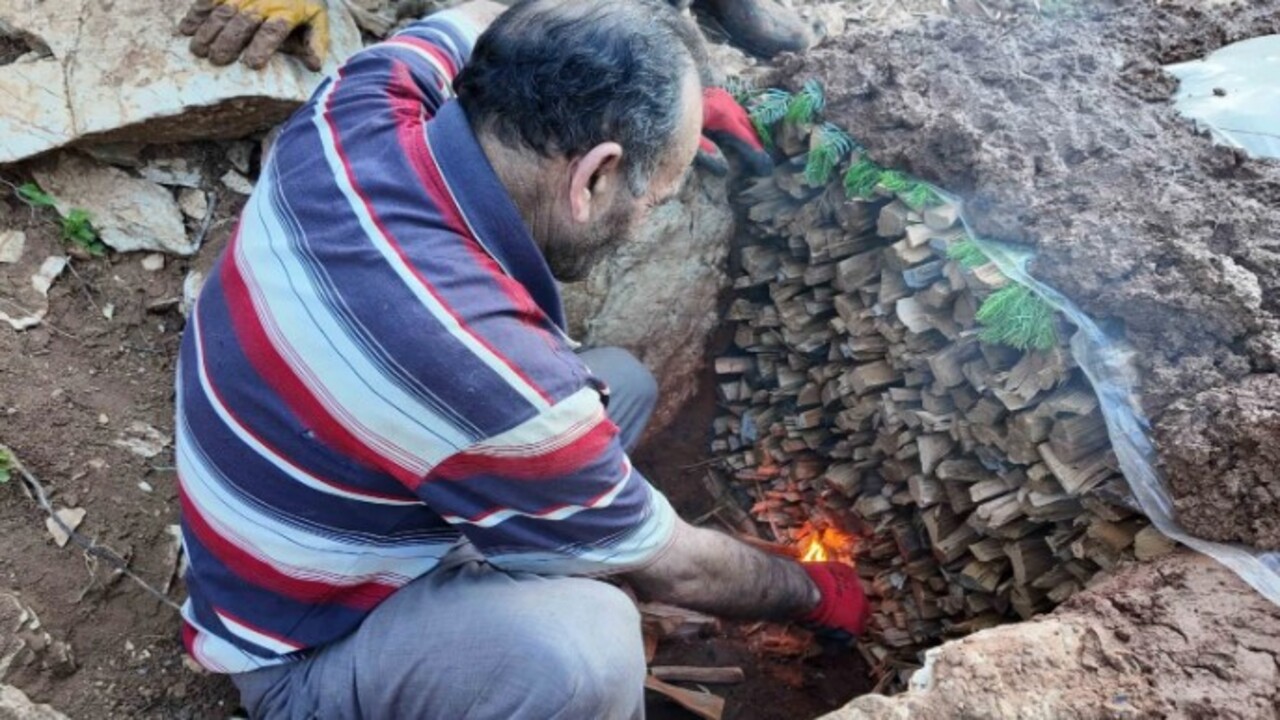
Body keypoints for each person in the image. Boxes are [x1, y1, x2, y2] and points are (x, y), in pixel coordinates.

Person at [174, 1, 868, 717]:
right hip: (299, 652)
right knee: (590, 650)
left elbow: (485, 12)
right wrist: (814, 592)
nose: (650, 217)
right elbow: (679, 570)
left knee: (621, 383)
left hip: (291, 508)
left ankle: (541, 543)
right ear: (595, 177)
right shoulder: (495, 377)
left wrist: (680, 84)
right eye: (657, 196)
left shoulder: (366, 95)